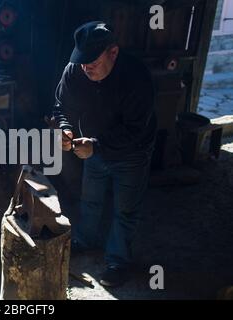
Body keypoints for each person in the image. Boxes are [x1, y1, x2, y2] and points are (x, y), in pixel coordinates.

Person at [53, 21, 157, 287]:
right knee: (90, 199)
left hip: (132, 152)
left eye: (92, 61)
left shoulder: (137, 78)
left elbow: (135, 130)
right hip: (94, 149)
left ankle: (117, 261)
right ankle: (86, 240)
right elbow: (62, 106)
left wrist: (96, 146)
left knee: (124, 210)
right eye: (81, 60)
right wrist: (65, 129)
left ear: (113, 53)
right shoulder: (76, 70)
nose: (86, 67)